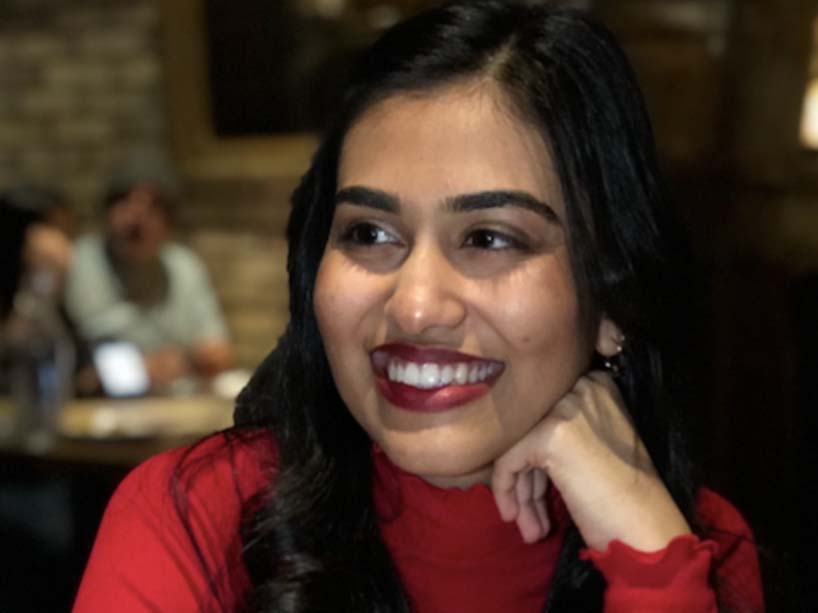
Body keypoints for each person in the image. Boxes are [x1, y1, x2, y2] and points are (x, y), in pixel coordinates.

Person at [73, 2, 764, 611]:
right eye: (369, 234)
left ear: (611, 292)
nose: (414, 306)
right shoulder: (195, 517)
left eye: (490, 238)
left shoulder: (691, 543)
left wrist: (657, 576)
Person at [64, 158, 233, 392]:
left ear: (169, 222)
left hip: (175, 408)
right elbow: (91, 363)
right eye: (125, 202)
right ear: (107, 211)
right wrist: (146, 367)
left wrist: (186, 361)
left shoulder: (183, 266)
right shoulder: (82, 261)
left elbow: (219, 354)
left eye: (153, 206)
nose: (136, 217)